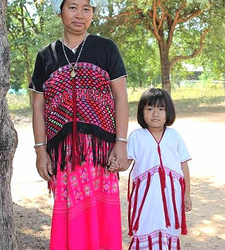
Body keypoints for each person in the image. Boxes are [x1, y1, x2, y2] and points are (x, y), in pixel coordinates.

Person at [29, 0, 129, 249]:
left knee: (102, 217)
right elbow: (38, 106)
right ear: (60, 10)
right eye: (73, 7)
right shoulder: (46, 55)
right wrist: (41, 150)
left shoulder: (106, 48)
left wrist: (121, 143)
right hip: (64, 156)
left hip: (101, 154)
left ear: (93, 13)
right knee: (69, 215)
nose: (80, 15)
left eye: (87, 9)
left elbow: (121, 97)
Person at [125, 88, 192, 250]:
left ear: (168, 112)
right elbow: (125, 163)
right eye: (149, 108)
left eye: (161, 109)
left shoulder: (174, 136)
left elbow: (184, 165)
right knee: (144, 224)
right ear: (142, 112)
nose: (155, 113)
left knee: (169, 226)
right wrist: (114, 163)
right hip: (145, 195)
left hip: (172, 193)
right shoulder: (136, 136)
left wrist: (187, 193)